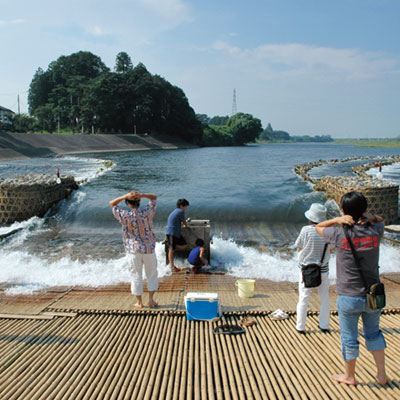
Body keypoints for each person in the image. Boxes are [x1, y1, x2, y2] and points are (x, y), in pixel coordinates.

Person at [316, 191, 387, 386]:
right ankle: (381, 375)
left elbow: (318, 227)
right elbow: (382, 220)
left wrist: (338, 219)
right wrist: (372, 218)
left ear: (343, 210)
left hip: (349, 295)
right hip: (373, 294)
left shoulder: (339, 233)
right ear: (364, 210)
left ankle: (349, 376)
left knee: (349, 337)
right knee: (374, 333)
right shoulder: (376, 230)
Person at [110, 190, 158, 309]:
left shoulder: (125, 215)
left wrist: (125, 196)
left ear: (127, 203)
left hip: (133, 250)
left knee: (136, 275)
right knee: (151, 274)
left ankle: (140, 303)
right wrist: (141, 195)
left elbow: (112, 204)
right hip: (148, 248)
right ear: (139, 202)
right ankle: (151, 300)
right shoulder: (147, 212)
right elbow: (154, 198)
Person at [295, 203, 332, 334]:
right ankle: (324, 325)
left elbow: (298, 246)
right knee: (325, 298)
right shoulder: (329, 232)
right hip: (323, 270)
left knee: (303, 298)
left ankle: (300, 326)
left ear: (310, 217)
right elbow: (331, 249)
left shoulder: (306, 230)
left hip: (306, 270)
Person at [166, 198, 189, 272]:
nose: (186, 208)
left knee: (184, 245)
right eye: (186, 206)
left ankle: (170, 245)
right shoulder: (181, 211)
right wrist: (186, 226)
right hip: (172, 232)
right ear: (181, 206)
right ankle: (172, 266)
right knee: (171, 250)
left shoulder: (175, 211)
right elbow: (184, 221)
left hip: (175, 233)